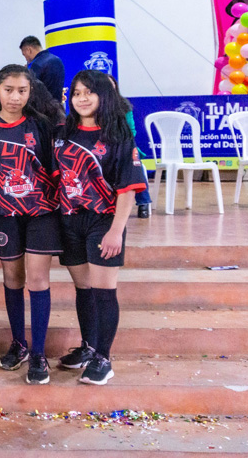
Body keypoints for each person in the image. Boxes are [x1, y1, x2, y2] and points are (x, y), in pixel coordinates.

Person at [54, 70, 147, 385]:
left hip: (103, 221)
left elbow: (128, 189)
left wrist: (115, 231)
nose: (81, 98)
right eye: (76, 93)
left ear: (103, 96)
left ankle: (103, 359)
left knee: (103, 292)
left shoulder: (118, 136)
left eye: (89, 92)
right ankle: (89, 347)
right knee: (83, 289)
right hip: (70, 220)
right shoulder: (63, 133)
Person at [0, 64, 62, 385]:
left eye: (22, 91)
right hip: (3, 215)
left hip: (41, 213)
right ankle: (19, 343)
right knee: (12, 278)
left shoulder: (42, 126)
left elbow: (57, 170)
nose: (15, 97)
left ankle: (38, 353)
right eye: (8, 90)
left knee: (37, 280)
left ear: (30, 92)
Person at [108, 75, 152, 218]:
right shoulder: (94, 105)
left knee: (134, 165)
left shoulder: (124, 106)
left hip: (123, 145)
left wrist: (116, 140)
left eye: (111, 84)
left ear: (115, 86)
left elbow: (131, 131)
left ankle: (143, 202)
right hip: (101, 146)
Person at [20, 36, 65, 104]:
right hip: (57, 106)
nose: (25, 58)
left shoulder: (36, 65)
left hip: (42, 107)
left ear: (29, 50)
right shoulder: (58, 60)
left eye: (24, 55)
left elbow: (31, 90)